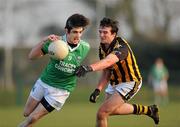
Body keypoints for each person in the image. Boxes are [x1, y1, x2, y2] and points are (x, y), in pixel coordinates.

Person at [75, 17, 159, 127]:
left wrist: (88, 68)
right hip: (114, 82)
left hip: (130, 82)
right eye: (100, 32)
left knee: (102, 113)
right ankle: (149, 110)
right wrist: (98, 89)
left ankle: (150, 110)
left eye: (105, 32)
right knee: (109, 111)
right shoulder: (102, 47)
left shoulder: (121, 46)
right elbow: (106, 71)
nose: (101, 35)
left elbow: (108, 61)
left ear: (114, 34)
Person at [18, 13, 90, 127]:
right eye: (75, 32)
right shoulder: (55, 42)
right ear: (67, 30)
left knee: (33, 118)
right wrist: (45, 40)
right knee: (27, 114)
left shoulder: (85, 47)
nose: (78, 36)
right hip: (44, 82)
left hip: (61, 91)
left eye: (81, 32)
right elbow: (31, 56)